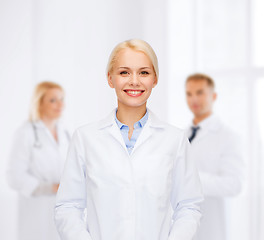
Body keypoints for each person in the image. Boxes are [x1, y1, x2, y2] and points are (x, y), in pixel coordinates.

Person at [55, 39, 203, 240]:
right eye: (124, 72)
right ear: (110, 78)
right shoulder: (85, 138)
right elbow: (68, 206)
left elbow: (188, 206)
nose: (134, 81)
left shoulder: (175, 140)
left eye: (144, 72)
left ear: (155, 79)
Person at [7, 81, 70, 240]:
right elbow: (14, 177)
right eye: (53, 100)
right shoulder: (25, 133)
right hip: (36, 211)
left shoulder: (65, 133)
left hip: (62, 210)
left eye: (61, 99)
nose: (60, 104)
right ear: (39, 103)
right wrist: (48, 187)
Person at [185, 73, 245, 240]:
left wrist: (192, 179)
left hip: (211, 228)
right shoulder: (182, 136)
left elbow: (234, 184)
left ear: (214, 96)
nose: (194, 99)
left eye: (200, 92)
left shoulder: (228, 136)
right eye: (189, 94)